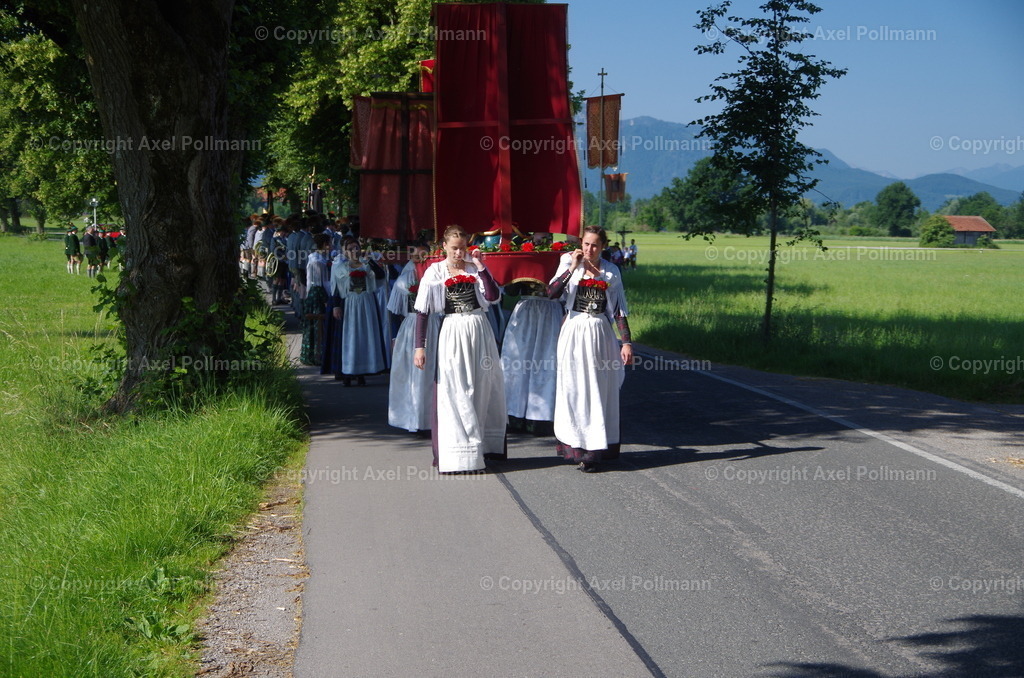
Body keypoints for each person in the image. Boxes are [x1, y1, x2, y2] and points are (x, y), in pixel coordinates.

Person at [413, 225, 506, 473]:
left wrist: (480, 266)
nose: (458, 253)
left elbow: (494, 296)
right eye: (454, 248)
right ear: (444, 246)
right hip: (453, 331)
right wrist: (419, 347)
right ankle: (460, 455)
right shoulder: (435, 272)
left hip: (479, 329)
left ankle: (481, 449)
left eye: (462, 248)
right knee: (455, 390)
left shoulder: (475, 269)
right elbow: (422, 311)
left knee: (483, 386)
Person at [548, 225, 633, 472]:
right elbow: (552, 293)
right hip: (574, 330)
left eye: (595, 245)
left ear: (603, 246)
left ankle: (594, 450)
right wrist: (572, 268)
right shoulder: (568, 262)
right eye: (586, 244)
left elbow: (618, 310)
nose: (589, 249)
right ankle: (576, 445)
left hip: (599, 333)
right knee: (574, 387)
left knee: (597, 387)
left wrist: (626, 342)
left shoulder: (611, 271)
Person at [387, 244, 439, 434]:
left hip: (433, 322)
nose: (419, 257)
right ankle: (413, 417)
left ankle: (431, 418)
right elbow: (395, 308)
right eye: (415, 254)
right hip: (412, 324)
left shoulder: (435, 273)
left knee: (432, 370)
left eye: (423, 254)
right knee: (413, 372)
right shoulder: (406, 276)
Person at [501, 281, 563, 435]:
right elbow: (511, 291)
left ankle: (541, 417)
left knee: (547, 360)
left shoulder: (563, 257)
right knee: (518, 361)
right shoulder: (522, 257)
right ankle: (514, 413)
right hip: (526, 310)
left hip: (551, 309)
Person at [326, 236, 388, 386]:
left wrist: (370, 261)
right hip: (350, 304)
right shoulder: (341, 267)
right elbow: (335, 288)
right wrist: (336, 306)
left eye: (356, 248)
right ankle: (347, 372)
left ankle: (362, 372)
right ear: (345, 252)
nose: (354, 251)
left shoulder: (367, 266)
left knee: (365, 337)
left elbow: (381, 276)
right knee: (350, 337)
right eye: (351, 249)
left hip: (366, 303)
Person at [300, 233, 332, 366]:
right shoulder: (317, 261)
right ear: (325, 244)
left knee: (314, 324)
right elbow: (321, 282)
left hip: (313, 293)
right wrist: (329, 296)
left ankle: (313, 354)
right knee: (318, 324)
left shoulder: (318, 259)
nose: (332, 246)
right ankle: (317, 355)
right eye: (330, 243)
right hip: (318, 293)